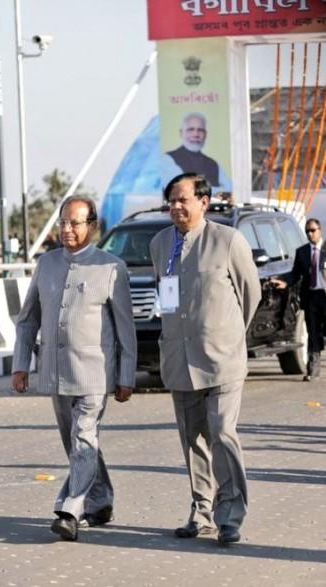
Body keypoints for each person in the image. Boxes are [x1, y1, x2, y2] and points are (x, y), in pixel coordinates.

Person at [10, 196, 136, 542]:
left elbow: (126, 328)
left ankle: (70, 509)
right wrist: (21, 364)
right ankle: (102, 499)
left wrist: (126, 376)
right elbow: (28, 320)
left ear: (92, 226)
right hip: (54, 371)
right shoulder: (46, 264)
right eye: (63, 222)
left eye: (75, 223)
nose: (67, 229)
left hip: (94, 374)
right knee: (79, 443)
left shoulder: (111, 268)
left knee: (83, 438)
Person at [150, 173, 261, 545]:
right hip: (179, 359)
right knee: (192, 440)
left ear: (203, 201)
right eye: (171, 201)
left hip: (221, 359)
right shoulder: (159, 243)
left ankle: (230, 515)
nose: (176, 207)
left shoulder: (228, 241)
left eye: (183, 200)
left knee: (222, 435)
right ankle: (202, 512)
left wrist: (226, 335)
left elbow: (251, 295)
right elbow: (166, 300)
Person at [272, 218, 326, 381]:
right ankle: (313, 367)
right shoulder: (302, 252)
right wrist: (285, 281)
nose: (310, 234)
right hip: (311, 297)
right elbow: (296, 273)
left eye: (313, 230)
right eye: (307, 231)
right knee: (313, 332)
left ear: (320, 230)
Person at [161, 112, 232, 191]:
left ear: (205, 135)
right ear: (181, 133)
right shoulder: (167, 159)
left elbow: (230, 189)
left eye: (200, 130)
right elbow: (183, 189)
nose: (196, 134)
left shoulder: (213, 164)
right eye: (190, 129)